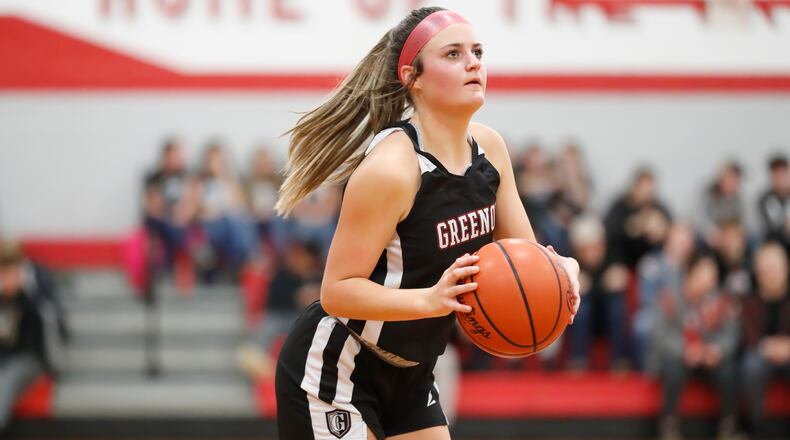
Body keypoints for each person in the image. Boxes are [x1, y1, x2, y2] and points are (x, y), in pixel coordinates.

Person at [272, 7, 581, 440]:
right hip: (339, 363)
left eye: (477, 52)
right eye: (453, 54)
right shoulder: (392, 169)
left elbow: (523, 260)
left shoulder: (491, 149)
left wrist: (563, 271)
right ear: (412, 77)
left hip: (413, 372)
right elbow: (337, 291)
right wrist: (431, 299)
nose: (473, 63)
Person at [739, 242, 790, 438]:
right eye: (766, 270)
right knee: (751, 365)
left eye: (775, 269)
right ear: (758, 273)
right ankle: (756, 426)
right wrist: (766, 346)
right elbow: (747, 335)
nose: (771, 274)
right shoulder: (748, 300)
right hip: (760, 354)